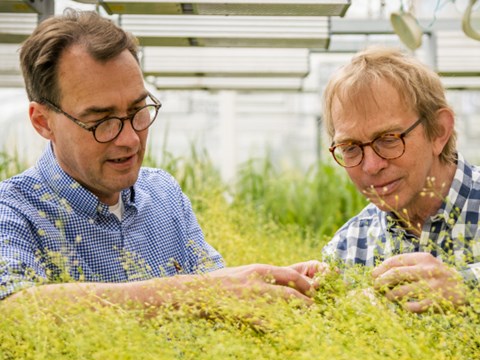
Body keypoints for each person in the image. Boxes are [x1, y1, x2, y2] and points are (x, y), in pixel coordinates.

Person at [0, 9, 324, 309]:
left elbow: (217, 288)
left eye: (138, 111)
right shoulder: (14, 211)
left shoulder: (163, 194)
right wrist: (195, 294)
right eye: (102, 121)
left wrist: (271, 286)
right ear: (42, 121)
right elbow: (13, 311)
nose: (129, 139)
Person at [321, 45, 480, 313]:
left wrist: (466, 286)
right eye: (350, 148)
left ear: (439, 131)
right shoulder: (347, 249)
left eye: (388, 139)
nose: (371, 166)